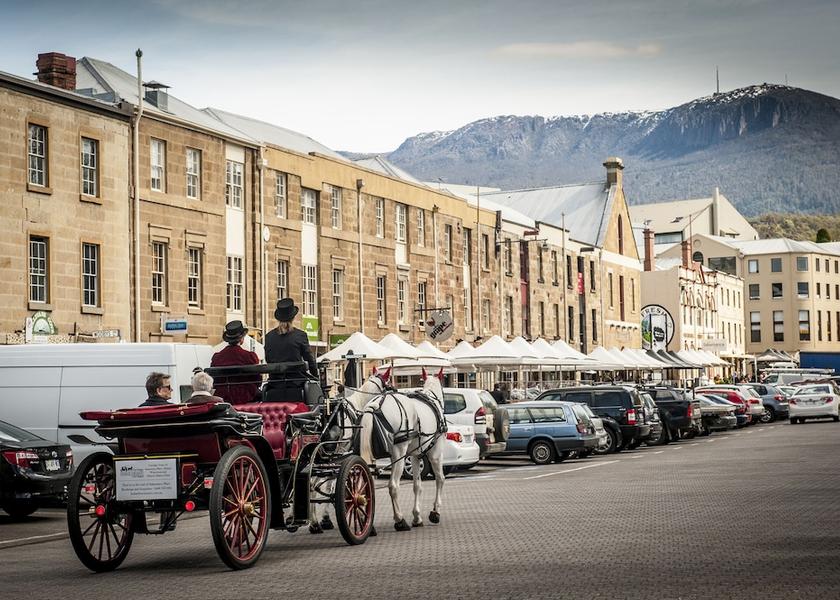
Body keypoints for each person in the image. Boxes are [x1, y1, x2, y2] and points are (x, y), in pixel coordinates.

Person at [264, 298, 317, 401]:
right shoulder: (300, 335)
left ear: (278, 318)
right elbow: (310, 360)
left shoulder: (269, 337)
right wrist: (316, 376)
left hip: (274, 386)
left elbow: (268, 359)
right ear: (293, 317)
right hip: (296, 385)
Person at [210, 320, 261, 405]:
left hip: (223, 397)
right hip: (246, 397)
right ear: (241, 339)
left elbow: (215, 381)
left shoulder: (217, 357)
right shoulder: (249, 356)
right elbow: (258, 381)